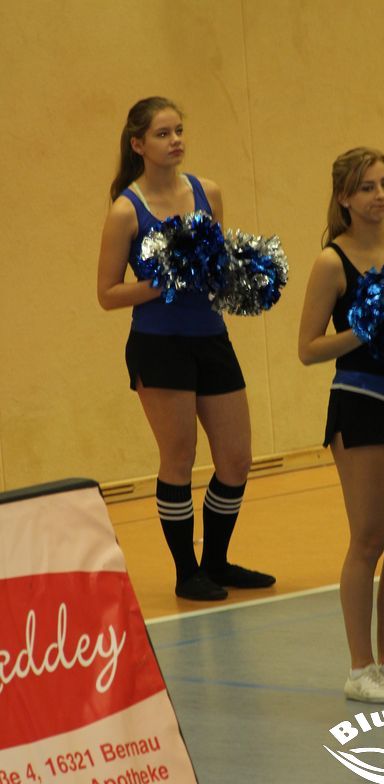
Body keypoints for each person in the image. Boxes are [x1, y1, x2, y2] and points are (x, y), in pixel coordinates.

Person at [97, 96, 275, 601]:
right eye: (163, 133)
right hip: (158, 345)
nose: (175, 140)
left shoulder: (206, 192)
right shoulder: (126, 210)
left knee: (236, 458)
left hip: (211, 338)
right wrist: (164, 281)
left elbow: (216, 270)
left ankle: (216, 561)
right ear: (138, 144)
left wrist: (243, 277)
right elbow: (107, 294)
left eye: (179, 130)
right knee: (179, 456)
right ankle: (186, 571)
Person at [298, 148, 384, 702]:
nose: (380, 195)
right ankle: (360, 669)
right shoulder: (332, 262)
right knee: (369, 538)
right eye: (367, 188)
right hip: (361, 402)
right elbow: (308, 348)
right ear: (344, 198)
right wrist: (365, 328)